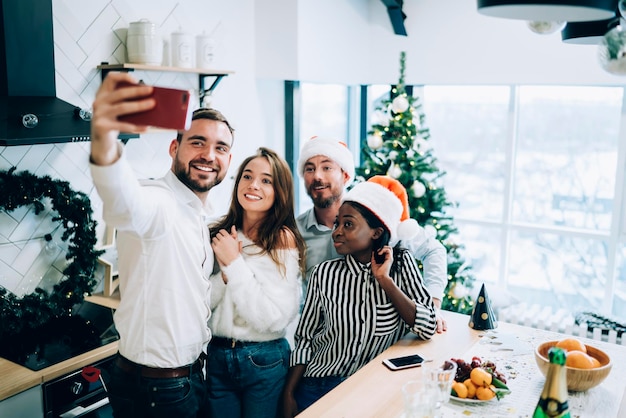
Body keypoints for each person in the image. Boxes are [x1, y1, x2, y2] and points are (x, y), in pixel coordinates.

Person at [89, 71, 234, 418]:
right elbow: (124, 201)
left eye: (221, 148)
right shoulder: (160, 202)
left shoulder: (199, 214)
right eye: (197, 142)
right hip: (158, 390)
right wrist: (105, 136)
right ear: (174, 148)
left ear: (229, 160)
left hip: (184, 380)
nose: (209, 155)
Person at [282, 176, 437, 416]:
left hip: (372, 390)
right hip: (318, 386)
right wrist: (289, 394)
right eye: (336, 224)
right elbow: (305, 338)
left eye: (348, 224)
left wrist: (385, 281)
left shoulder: (401, 266)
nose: (336, 232)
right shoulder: (324, 274)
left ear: (376, 232)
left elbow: (427, 327)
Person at [295, 136, 449, 332]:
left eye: (327, 167)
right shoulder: (295, 231)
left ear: (345, 175)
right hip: (329, 350)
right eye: (309, 169)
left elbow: (433, 250)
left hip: (382, 343)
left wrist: (432, 305)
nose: (317, 176)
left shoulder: (377, 214)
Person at [206, 147, 306, 418]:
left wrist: (234, 264)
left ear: (280, 191)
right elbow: (203, 303)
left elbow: (273, 319)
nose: (253, 185)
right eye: (247, 176)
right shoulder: (219, 233)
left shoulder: (281, 239)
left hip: (263, 358)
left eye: (266, 180)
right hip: (217, 354)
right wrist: (225, 273)